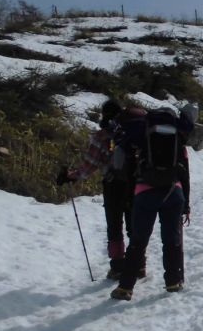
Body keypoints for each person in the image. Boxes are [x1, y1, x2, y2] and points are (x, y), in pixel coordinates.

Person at [110, 104, 194, 301]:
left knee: (138, 241)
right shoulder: (178, 138)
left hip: (145, 192)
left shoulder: (142, 132)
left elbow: (120, 160)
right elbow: (185, 174)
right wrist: (186, 204)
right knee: (171, 240)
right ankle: (173, 282)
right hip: (174, 193)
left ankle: (125, 287)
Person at [57, 98, 141, 279]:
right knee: (135, 226)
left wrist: (71, 175)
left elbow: (89, 167)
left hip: (113, 185)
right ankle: (139, 265)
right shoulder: (137, 133)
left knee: (114, 226)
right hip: (136, 184)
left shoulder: (101, 136)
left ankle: (118, 267)